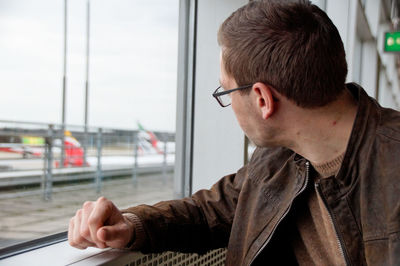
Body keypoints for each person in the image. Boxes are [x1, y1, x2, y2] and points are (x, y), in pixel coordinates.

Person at [68, 0, 400, 265]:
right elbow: (211, 211)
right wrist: (131, 225)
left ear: (262, 99)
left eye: (225, 93)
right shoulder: (280, 157)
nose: (226, 105)